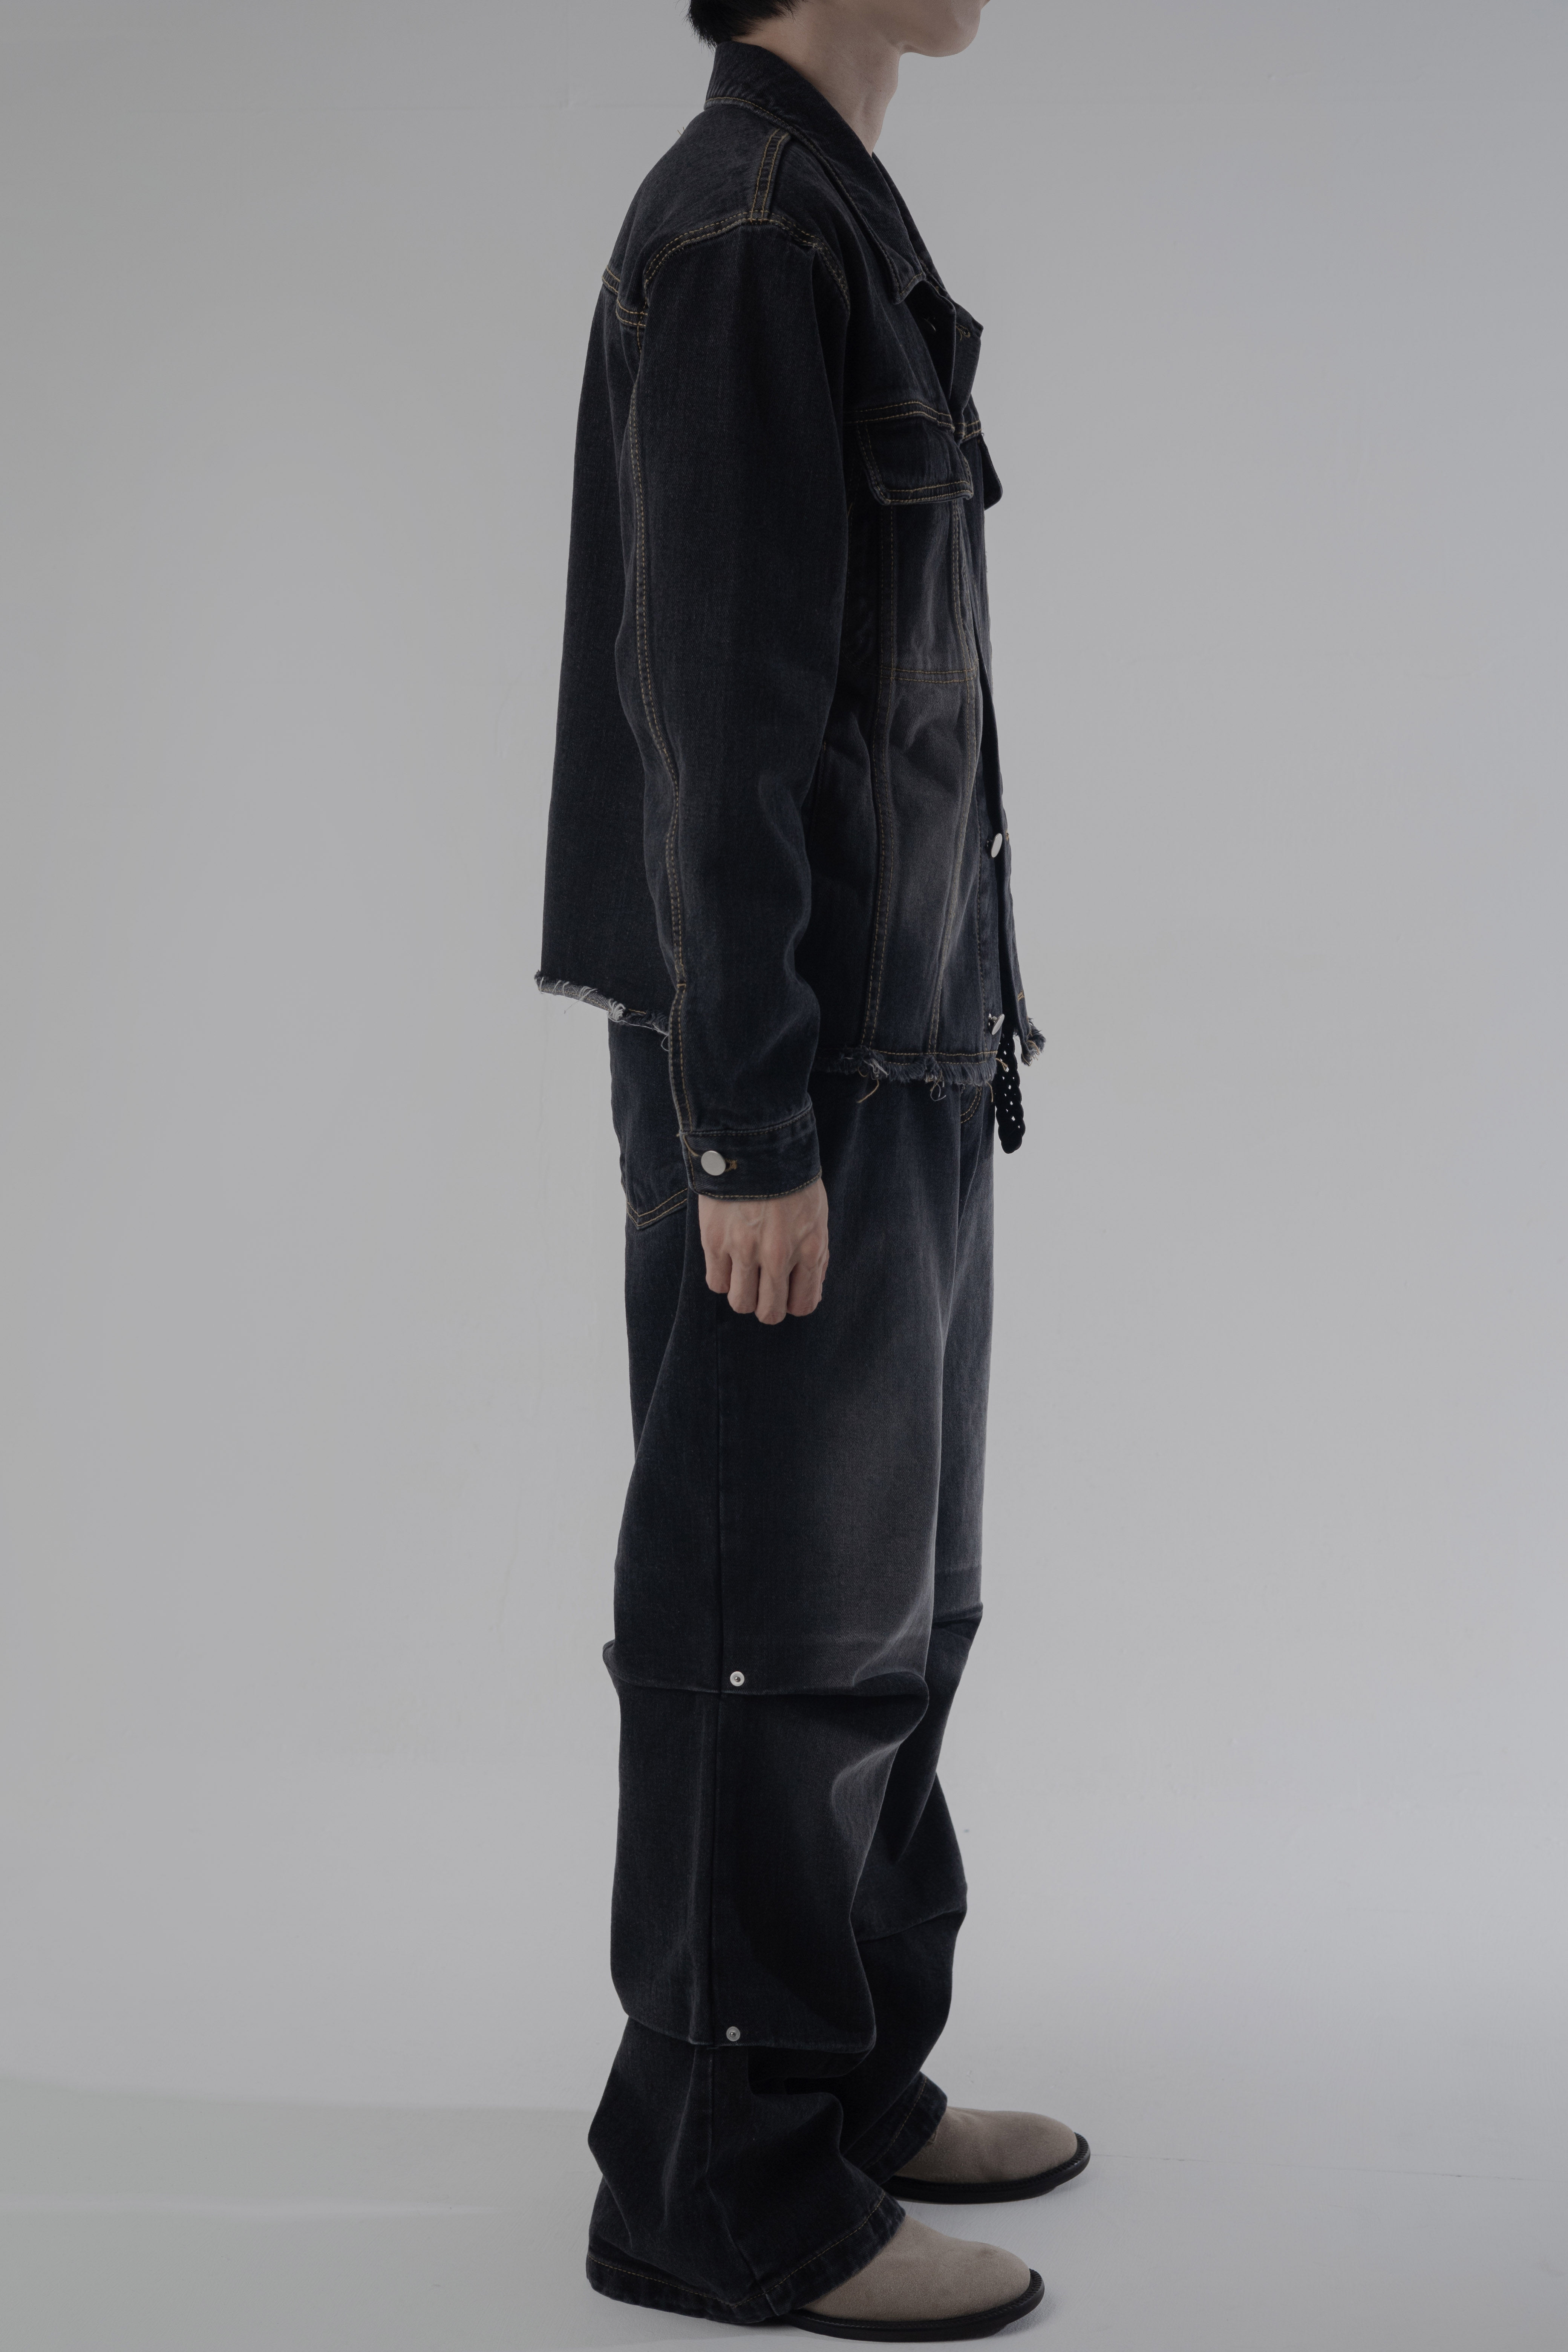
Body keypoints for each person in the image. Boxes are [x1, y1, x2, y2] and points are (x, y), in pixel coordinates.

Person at [538, 0, 1086, 2335]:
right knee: (764, 1636)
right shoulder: (751, 233)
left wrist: (949, 1054)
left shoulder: (836, 218)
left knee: (893, 1622)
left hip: (906, 1055)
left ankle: (845, 2087)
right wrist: (749, 1124)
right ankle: (718, 2181)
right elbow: (722, 716)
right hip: (797, 1084)